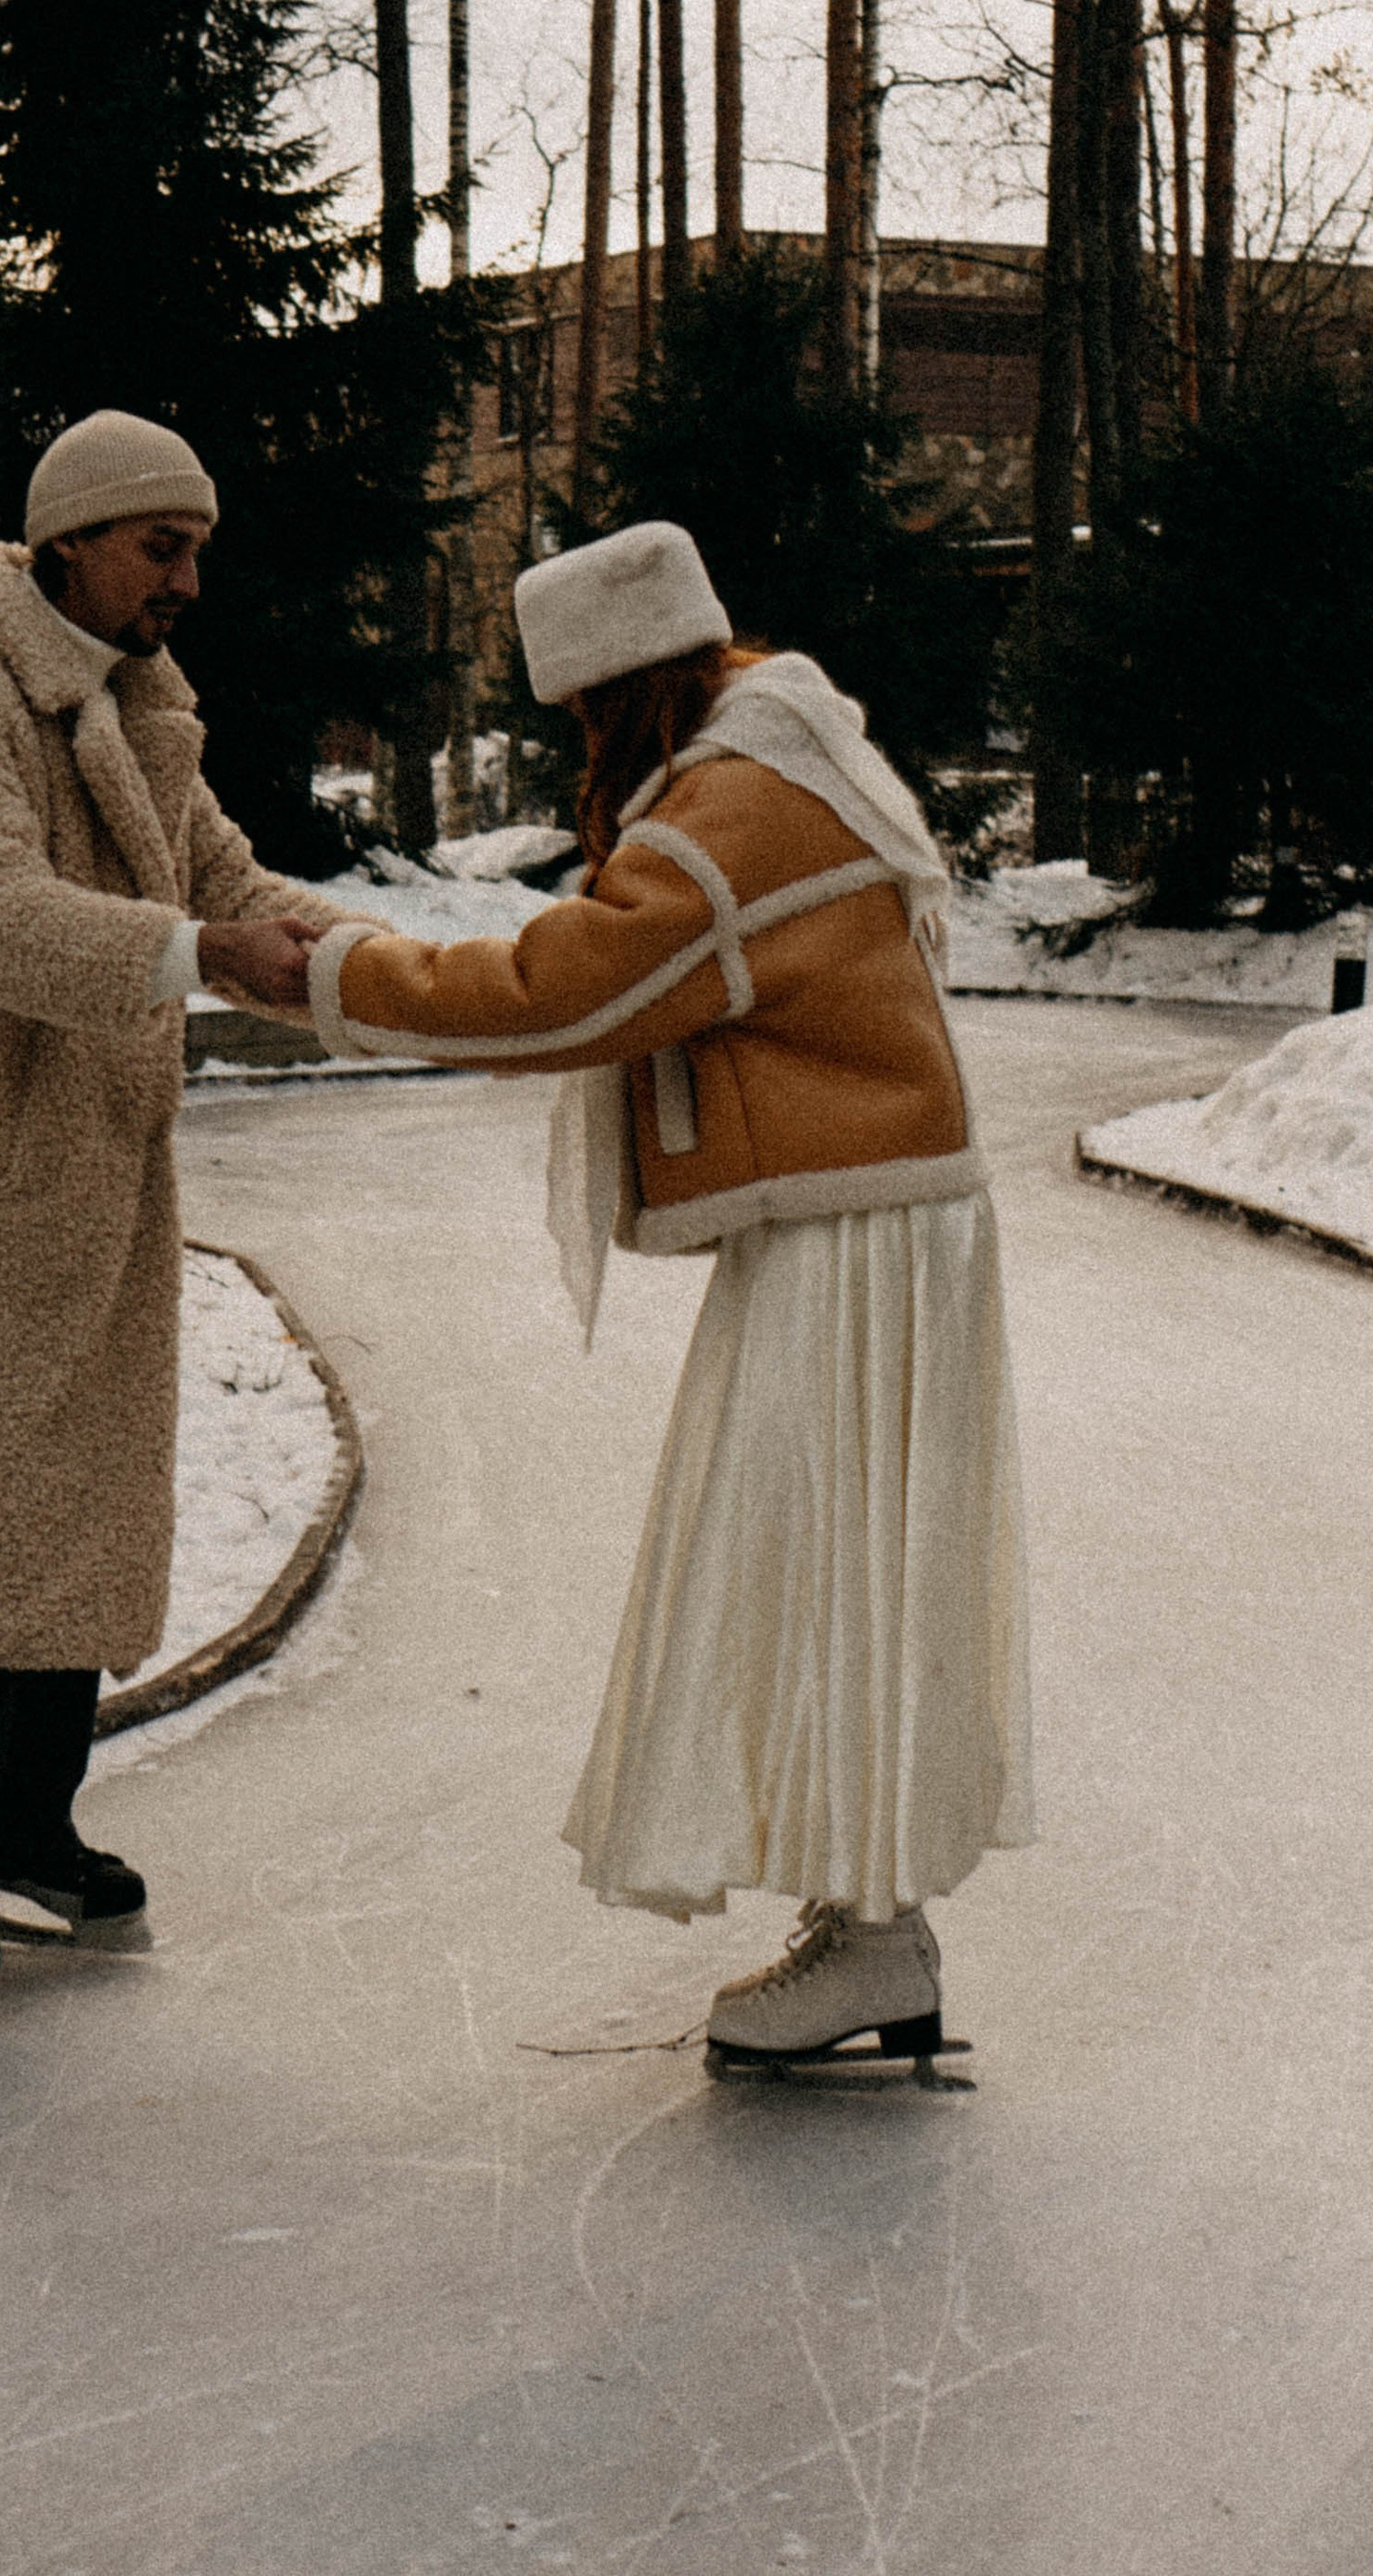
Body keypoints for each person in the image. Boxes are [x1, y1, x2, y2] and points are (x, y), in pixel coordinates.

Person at [308, 521, 1032, 2078]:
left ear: (624, 688)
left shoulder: (733, 813)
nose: (577, 749)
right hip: (873, 1227)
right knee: (824, 1568)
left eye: (578, 717)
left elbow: (562, 992)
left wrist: (324, 971)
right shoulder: (778, 748)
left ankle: (878, 1929)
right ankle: (869, 1919)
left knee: (819, 1566)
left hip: (859, 1241)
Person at [0, 410, 364, 2023]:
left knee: (65, 1514)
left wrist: (399, 971)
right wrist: (202, 958)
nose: (187, 579)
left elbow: (235, 882)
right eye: (157, 547)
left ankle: (14, 1830)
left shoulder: (126, 707)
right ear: (65, 544)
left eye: (199, 550)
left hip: (86, 1170)